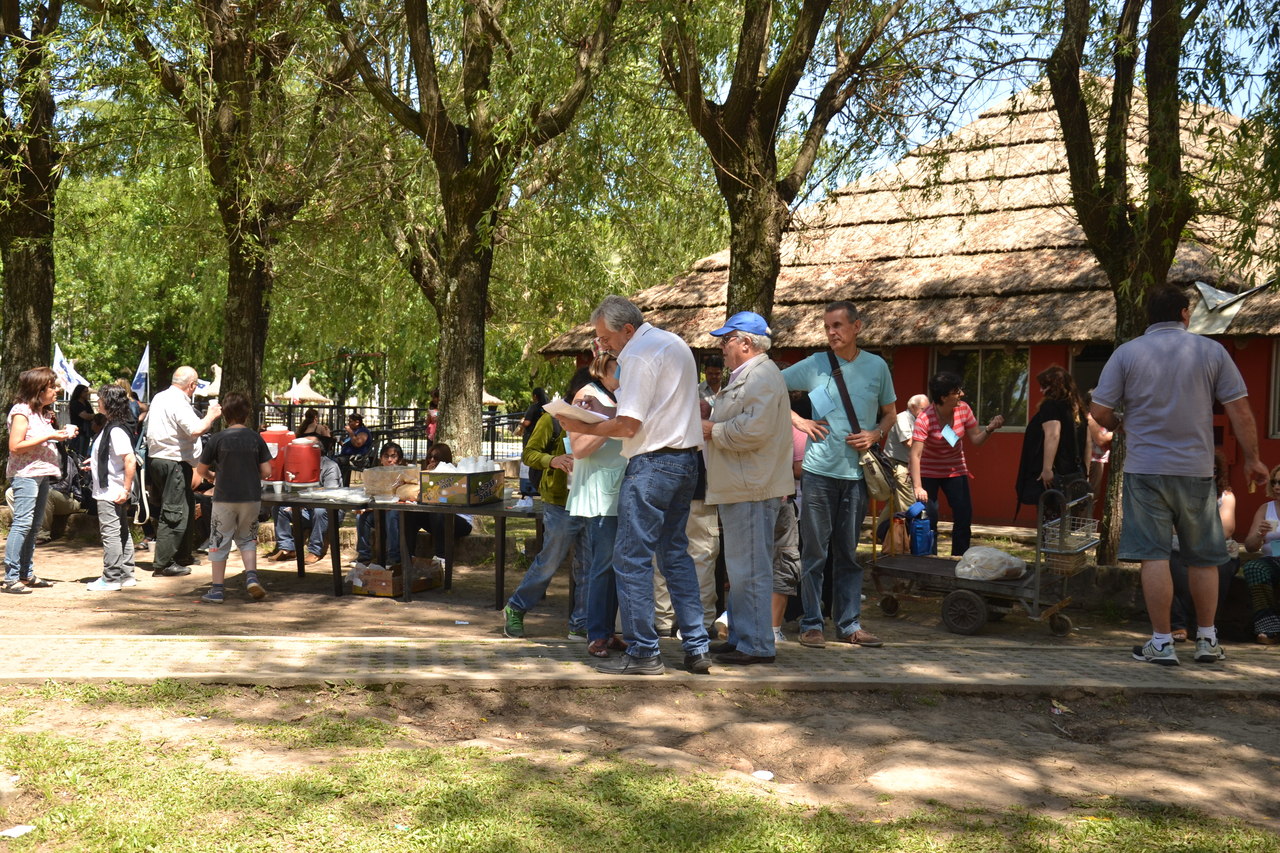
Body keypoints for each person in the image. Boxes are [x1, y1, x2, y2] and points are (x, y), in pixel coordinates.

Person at [1091, 285, 1267, 666]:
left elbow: (1100, 412)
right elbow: (1240, 410)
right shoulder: (1211, 351)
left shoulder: (1127, 353)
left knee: (1154, 556)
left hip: (1145, 469)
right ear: (1185, 314)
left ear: (1149, 317)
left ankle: (1162, 642)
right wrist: (1253, 459)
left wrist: (1120, 422)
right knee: (1204, 557)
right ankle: (1207, 640)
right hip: (1196, 470)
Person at [559, 294, 712, 676]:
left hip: (652, 464)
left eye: (605, 337)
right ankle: (696, 646)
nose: (603, 345)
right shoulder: (672, 343)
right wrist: (602, 412)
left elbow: (629, 425)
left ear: (627, 329)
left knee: (631, 559)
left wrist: (582, 425)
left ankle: (645, 651)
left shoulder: (638, 354)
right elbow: (653, 409)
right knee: (675, 555)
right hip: (685, 461)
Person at [782, 300, 896, 649]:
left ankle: (849, 625)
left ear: (856, 326)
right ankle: (811, 624)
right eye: (827, 327)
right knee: (814, 553)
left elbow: (890, 413)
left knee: (848, 553)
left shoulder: (876, 366)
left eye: (838, 325)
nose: (831, 332)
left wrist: (875, 433)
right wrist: (799, 420)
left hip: (857, 475)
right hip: (817, 473)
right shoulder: (815, 363)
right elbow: (768, 386)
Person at [701, 312, 794, 666]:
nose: (722, 347)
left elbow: (754, 430)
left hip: (752, 487)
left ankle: (756, 644)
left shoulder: (762, 376)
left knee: (750, 570)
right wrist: (712, 416)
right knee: (740, 571)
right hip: (742, 485)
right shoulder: (750, 375)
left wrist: (711, 429)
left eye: (726, 340)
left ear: (746, 343)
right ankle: (742, 637)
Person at [502, 386, 589, 640]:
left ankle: (580, 623)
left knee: (589, 564)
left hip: (593, 501)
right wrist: (553, 460)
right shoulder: (551, 420)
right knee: (550, 560)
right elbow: (529, 454)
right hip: (560, 503)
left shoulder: (604, 419)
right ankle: (516, 607)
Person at [568, 353, 628, 659]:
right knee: (602, 565)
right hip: (600, 493)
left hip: (619, 490)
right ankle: (596, 634)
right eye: (620, 364)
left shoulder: (617, 397)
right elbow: (579, 448)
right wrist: (610, 425)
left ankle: (607, 630)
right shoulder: (587, 395)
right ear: (604, 366)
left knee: (616, 565)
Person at [909, 372, 1004, 556]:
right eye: (956, 391)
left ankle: (960, 558)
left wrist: (990, 429)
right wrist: (918, 487)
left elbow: (976, 439)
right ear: (944, 397)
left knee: (963, 514)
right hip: (929, 471)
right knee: (929, 516)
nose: (962, 394)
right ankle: (928, 559)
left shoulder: (964, 409)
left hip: (955, 469)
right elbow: (915, 454)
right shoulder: (925, 418)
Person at [194, 392, 273, 604]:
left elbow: (201, 470)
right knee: (247, 539)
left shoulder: (217, 439)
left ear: (225, 414)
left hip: (224, 498)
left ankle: (217, 589)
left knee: (219, 540)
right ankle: (251, 578)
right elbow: (267, 471)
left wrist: (213, 477)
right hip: (250, 497)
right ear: (247, 414)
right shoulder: (255, 438)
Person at [4, 367, 77, 594]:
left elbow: (42, 440)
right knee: (22, 524)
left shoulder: (42, 413)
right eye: (52, 387)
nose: (56, 391)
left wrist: (61, 434)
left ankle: (26, 574)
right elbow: (15, 446)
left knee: (34, 526)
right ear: (38, 389)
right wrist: (50, 435)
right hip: (26, 474)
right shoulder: (21, 411)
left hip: (42, 474)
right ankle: (11, 578)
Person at [145, 366, 221, 577]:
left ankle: (182, 555)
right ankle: (164, 563)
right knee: (174, 511)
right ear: (192, 385)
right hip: (173, 463)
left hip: (161, 460)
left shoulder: (160, 397)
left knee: (185, 505)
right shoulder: (178, 401)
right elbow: (195, 429)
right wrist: (211, 416)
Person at [1170, 451, 1237, 642]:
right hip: (1181, 548)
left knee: (1221, 570)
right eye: (1204, 470)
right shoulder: (1178, 494)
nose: (1209, 475)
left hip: (1216, 549)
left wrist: (1189, 529)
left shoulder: (1226, 496)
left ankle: (1205, 626)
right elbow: (1170, 527)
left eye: (1214, 471)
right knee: (1172, 566)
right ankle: (1178, 624)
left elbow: (1226, 529)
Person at [85, 385, 140, 592]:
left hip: (112, 491)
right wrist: (95, 462)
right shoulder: (114, 426)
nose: (97, 402)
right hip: (114, 489)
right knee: (121, 531)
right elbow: (113, 456)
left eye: (100, 399)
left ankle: (111, 578)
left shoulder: (116, 429)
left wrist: (126, 489)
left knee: (111, 534)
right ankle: (126, 574)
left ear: (108, 403)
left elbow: (129, 459)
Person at [1015, 365, 1088, 508]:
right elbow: (1088, 442)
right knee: (1069, 516)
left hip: (1057, 474)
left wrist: (1047, 469)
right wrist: (1085, 473)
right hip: (1075, 473)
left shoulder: (1050, 406)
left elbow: (1053, 435)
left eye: (1044, 386)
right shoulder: (1077, 408)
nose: (1041, 390)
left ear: (1054, 386)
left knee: (1051, 516)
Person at [269, 443, 342, 564]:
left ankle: (315, 551)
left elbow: (330, 492)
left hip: (329, 511)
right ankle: (287, 548)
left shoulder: (330, 466)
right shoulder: (300, 465)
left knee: (319, 510)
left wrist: (306, 501)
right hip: (306, 510)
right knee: (279, 508)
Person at [1239, 463, 1280, 644]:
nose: (1277, 487)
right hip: (1272, 560)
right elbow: (1250, 547)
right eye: (1274, 482)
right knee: (1254, 567)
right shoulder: (1265, 509)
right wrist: (1259, 535)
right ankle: (1269, 627)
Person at [352, 442, 410, 568]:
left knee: (392, 515)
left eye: (393, 456)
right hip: (378, 512)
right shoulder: (375, 475)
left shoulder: (406, 474)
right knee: (361, 517)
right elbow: (370, 495)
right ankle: (364, 556)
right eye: (386, 456)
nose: (389, 460)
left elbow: (409, 497)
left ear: (400, 459)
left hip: (398, 514)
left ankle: (393, 558)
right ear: (381, 459)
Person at [518, 388, 550, 497]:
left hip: (531, 437)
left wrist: (521, 423)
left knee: (530, 459)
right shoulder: (547, 407)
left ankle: (530, 485)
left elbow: (527, 422)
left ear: (535, 396)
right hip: (544, 438)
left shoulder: (533, 407)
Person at [68, 384, 94, 456]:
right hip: (78, 431)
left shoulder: (86, 403)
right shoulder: (75, 403)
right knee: (78, 452)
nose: (87, 393)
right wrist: (95, 416)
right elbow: (85, 416)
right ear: (79, 392)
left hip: (86, 431)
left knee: (84, 452)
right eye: (85, 392)